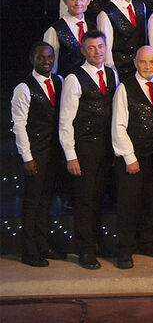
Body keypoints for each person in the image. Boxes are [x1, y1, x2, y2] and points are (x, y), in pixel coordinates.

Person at [59, 30, 119, 270]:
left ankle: (96, 242)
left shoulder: (112, 74)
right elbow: (65, 121)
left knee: (98, 198)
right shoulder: (74, 79)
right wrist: (71, 155)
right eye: (91, 48)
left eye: (100, 46)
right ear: (83, 51)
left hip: (105, 147)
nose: (97, 52)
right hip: (84, 147)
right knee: (84, 200)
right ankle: (85, 250)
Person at [111, 46, 153, 269]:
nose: (147, 66)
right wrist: (129, 157)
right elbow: (118, 126)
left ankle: (147, 243)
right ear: (135, 63)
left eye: (152, 62)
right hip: (132, 157)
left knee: (152, 203)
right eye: (143, 62)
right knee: (128, 204)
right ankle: (124, 250)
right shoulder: (125, 87)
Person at [12, 43, 67, 267]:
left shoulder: (59, 81)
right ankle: (29, 251)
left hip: (53, 152)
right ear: (32, 59)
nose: (46, 61)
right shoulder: (23, 88)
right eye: (41, 57)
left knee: (45, 201)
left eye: (50, 57)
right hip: (35, 152)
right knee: (32, 202)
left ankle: (43, 245)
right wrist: (27, 157)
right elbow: (19, 126)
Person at [97, 0, 148, 82]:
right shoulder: (106, 13)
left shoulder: (141, 5)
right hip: (121, 74)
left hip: (142, 70)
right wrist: (114, 78)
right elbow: (106, 53)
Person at [44, 0, 90, 76]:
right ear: (65, 0)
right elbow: (51, 67)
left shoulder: (93, 26)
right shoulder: (54, 30)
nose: (78, 3)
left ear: (88, 1)